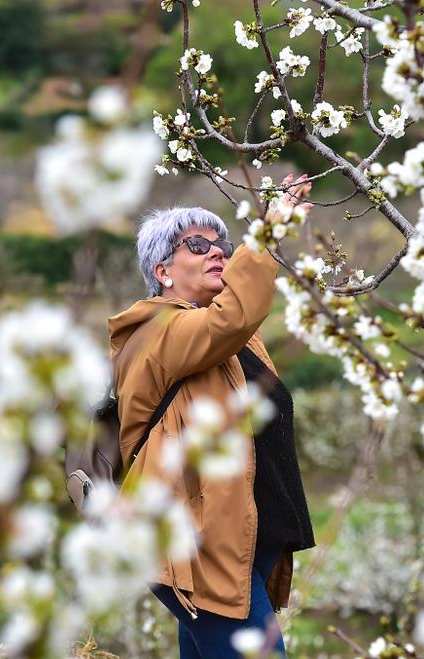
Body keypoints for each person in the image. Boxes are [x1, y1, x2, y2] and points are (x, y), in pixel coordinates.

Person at [108, 175, 316, 658]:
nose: (216, 251)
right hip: (195, 547)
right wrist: (267, 229)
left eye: (221, 243)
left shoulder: (229, 344)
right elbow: (232, 316)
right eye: (197, 245)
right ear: (163, 271)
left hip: (236, 545)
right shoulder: (157, 331)